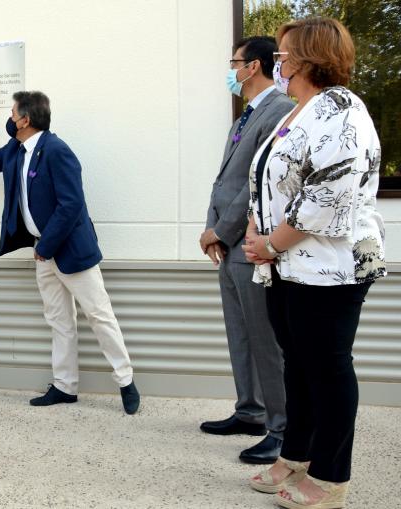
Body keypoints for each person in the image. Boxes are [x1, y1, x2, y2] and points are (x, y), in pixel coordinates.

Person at [0, 91, 141, 414]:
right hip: (43, 253)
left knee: (98, 315)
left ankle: (126, 382)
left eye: (12, 113)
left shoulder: (57, 151)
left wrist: (46, 246)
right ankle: (65, 386)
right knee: (59, 320)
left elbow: (71, 205)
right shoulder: (15, 150)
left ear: (25, 119)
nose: (8, 118)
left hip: (70, 252)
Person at [242, 17, 386, 509]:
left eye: (281, 55)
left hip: (329, 266)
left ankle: (329, 478)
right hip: (287, 264)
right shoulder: (299, 111)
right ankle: (296, 455)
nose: (277, 63)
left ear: (304, 58)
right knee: (298, 368)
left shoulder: (342, 111)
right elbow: (269, 177)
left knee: (326, 370)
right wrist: (254, 230)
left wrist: (270, 243)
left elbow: (329, 193)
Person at [199, 36, 295, 464]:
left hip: (251, 243)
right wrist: (210, 228)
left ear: (253, 66)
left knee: (264, 340)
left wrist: (221, 229)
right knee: (240, 334)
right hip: (228, 243)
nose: (230, 70)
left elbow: (258, 186)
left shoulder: (278, 111)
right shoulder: (246, 115)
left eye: (234, 62)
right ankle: (250, 411)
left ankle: (282, 429)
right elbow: (226, 180)